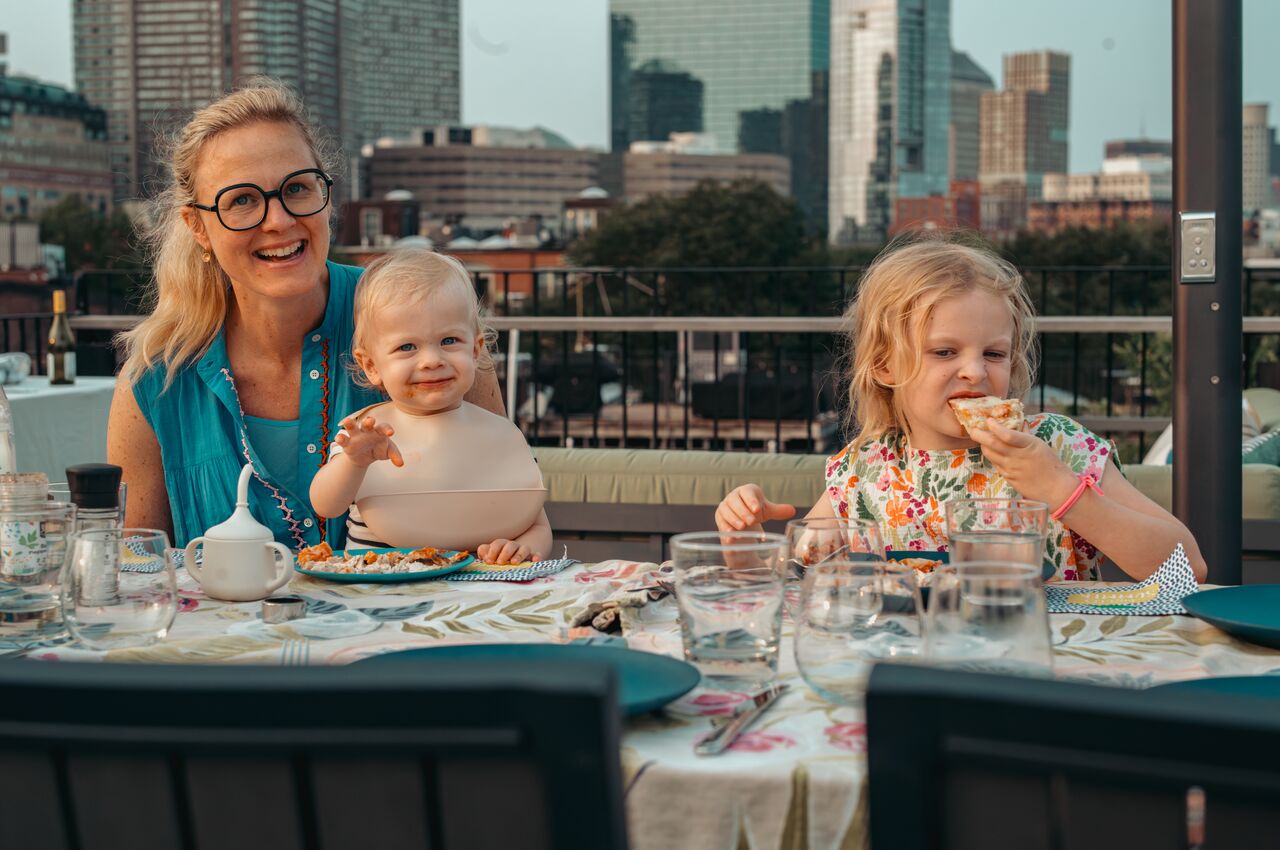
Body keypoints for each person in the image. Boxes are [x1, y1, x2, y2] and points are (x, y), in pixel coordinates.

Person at [107, 79, 505, 550]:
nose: (278, 221)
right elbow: (135, 571)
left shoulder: (429, 322)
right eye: (242, 200)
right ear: (198, 227)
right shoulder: (157, 378)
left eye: (296, 188)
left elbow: (505, 507)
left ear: (328, 197)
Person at [716, 237, 1208, 582]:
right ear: (886, 366)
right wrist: (743, 541)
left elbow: (1187, 567)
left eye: (993, 354)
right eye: (944, 352)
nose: (975, 372)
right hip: (909, 674)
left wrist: (1061, 489)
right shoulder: (865, 469)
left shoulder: (1057, 445)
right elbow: (797, 580)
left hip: (1046, 670)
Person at [309, 248, 551, 564]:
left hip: (477, 595)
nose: (432, 361)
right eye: (407, 347)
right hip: (383, 593)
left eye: (449, 341)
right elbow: (326, 505)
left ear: (476, 351)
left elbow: (535, 520)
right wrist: (353, 462)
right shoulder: (365, 431)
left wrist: (524, 548)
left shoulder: (500, 433)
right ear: (371, 366)